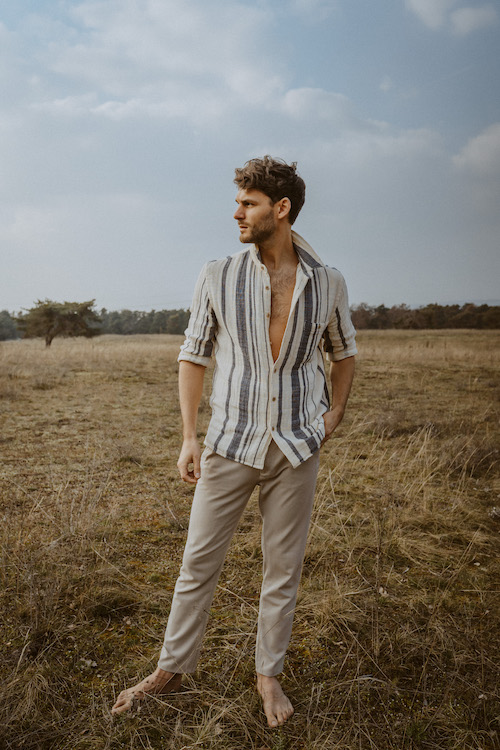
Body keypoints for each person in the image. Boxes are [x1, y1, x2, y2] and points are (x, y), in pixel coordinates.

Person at [111, 156, 357, 727]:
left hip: (296, 445)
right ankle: (170, 670)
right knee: (197, 562)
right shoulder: (218, 274)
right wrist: (189, 436)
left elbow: (343, 352)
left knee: (283, 568)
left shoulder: (328, 281)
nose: (237, 213)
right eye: (238, 202)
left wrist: (335, 413)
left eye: (248, 203)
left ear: (281, 208)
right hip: (229, 442)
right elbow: (193, 355)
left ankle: (268, 675)